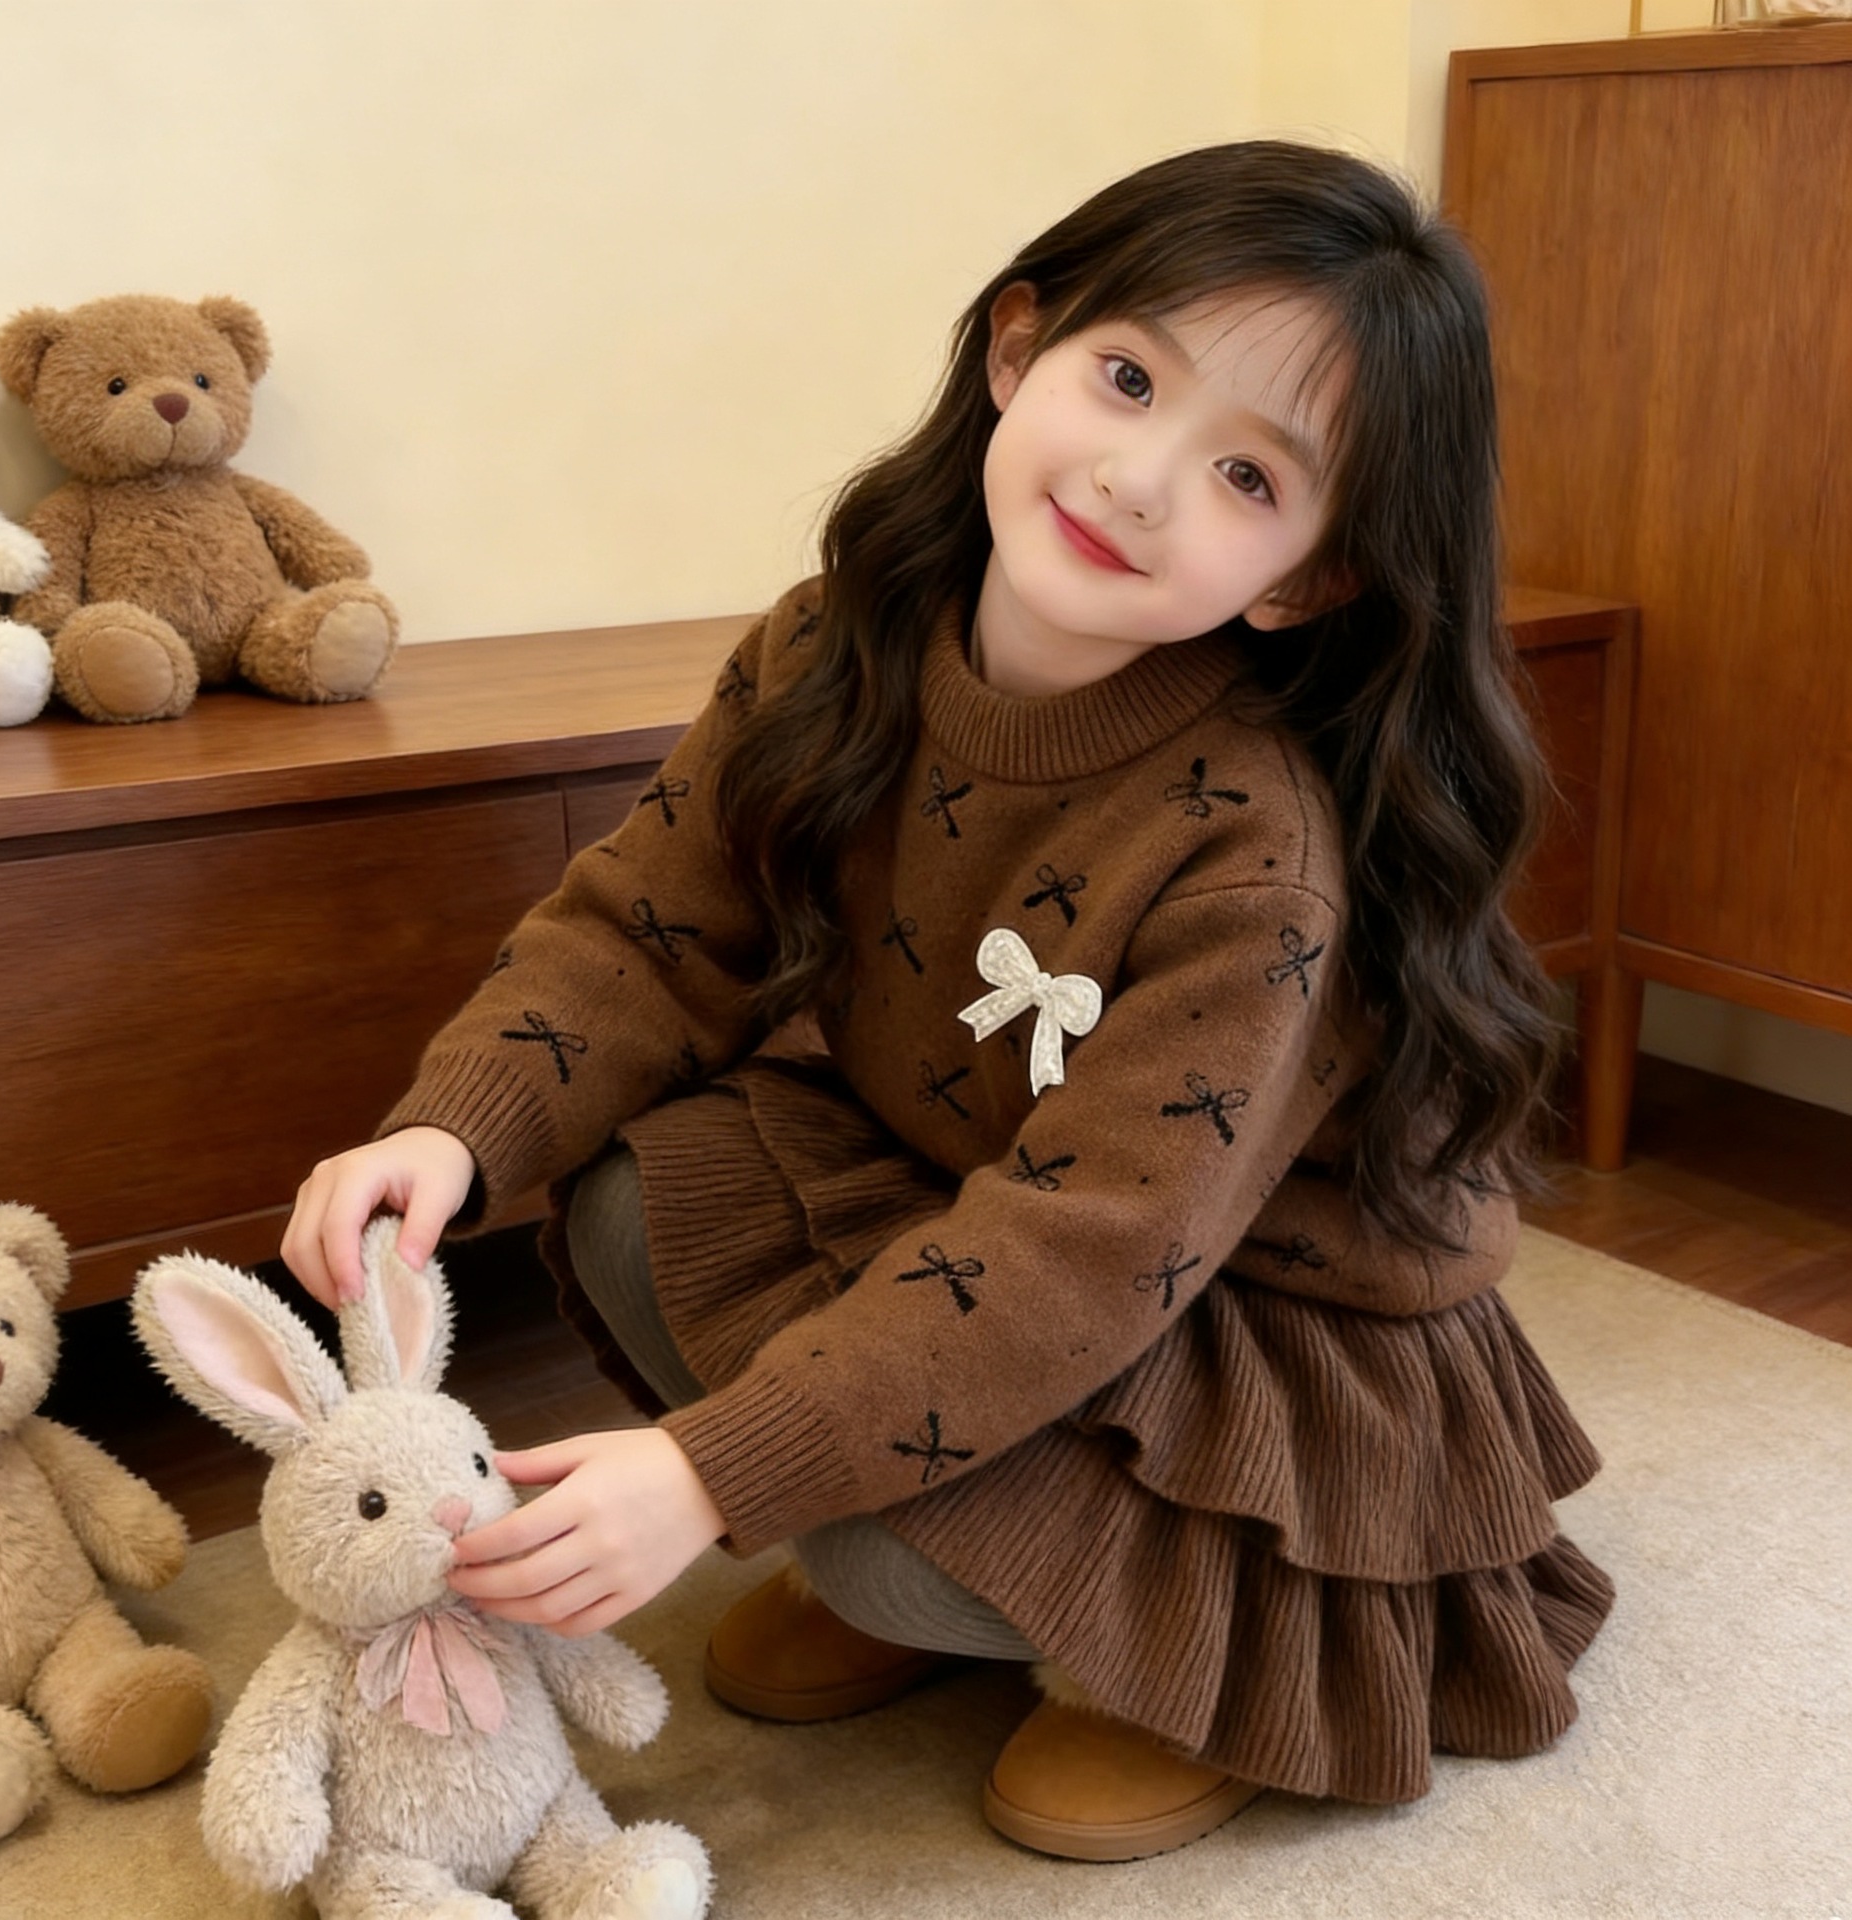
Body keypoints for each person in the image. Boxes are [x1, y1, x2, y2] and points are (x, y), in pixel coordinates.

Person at [282, 140, 1613, 1863]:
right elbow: (645, 930)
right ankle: (935, 1589)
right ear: (1018, 347)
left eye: (1247, 477)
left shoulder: (1259, 858)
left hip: (1242, 1317)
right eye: (1127, 380)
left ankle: (1150, 1663)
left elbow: (1083, 1255)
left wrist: (714, 1473)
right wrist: (452, 1132)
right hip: (965, 1179)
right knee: (630, 1191)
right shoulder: (833, 640)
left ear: (1305, 578)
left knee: (861, 1531)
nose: (1138, 479)